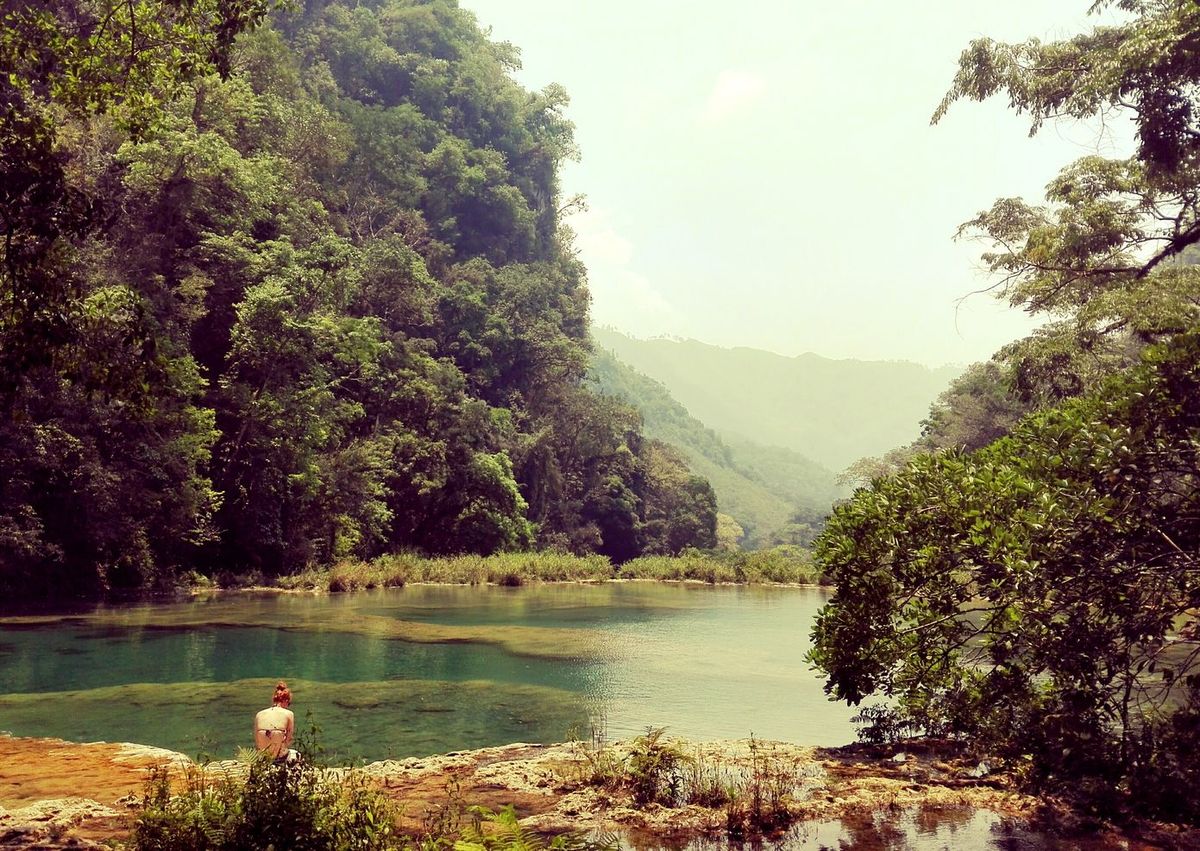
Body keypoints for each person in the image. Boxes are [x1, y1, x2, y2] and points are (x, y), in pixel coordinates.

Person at [254, 681, 299, 763]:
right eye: (288, 703)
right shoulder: (289, 714)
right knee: (296, 754)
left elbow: (257, 740)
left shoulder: (259, 714)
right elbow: (289, 738)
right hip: (278, 757)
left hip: (263, 756)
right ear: (286, 700)